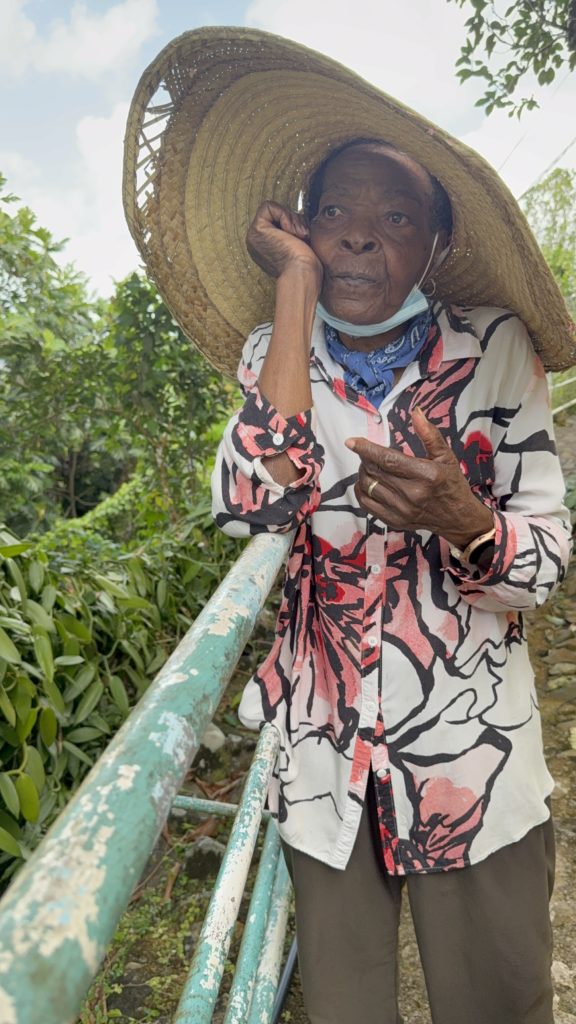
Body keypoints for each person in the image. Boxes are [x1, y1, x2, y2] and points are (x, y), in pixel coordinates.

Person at [123, 27, 576, 1024]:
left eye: (396, 216)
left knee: (499, 1002)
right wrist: (293, 288)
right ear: (303, 224)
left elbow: (542, 564)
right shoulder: (272, 350)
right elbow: (253, 502)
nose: (361, 237)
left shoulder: (495, 351)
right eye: (335, 213)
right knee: (346, 1007)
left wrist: (465, 519)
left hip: (472, 757)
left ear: (437, 244)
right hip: (326, 762)